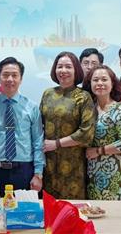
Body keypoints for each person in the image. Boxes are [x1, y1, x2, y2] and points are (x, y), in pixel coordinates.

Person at [0, 57, 45, 198]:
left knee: (24, 210)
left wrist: (38, 174)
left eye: (14, 75)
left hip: (24, 171)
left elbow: (38, 143)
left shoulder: (32, 107)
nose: (10, 79)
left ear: (21, 79)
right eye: (5, 75)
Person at [40, 51, 95, 199]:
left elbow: (86, 133)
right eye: (60, 66)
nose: (63, 70)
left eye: (68, 67)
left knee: (73, 207)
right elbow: (39, 126)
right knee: (49, 206)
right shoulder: (47, 94)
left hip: (74, 164)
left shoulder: (83, 96)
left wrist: (56, 144)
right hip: (49, 164)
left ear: (76, 70)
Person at [83, 66, 121, 200]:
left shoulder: (118, 108)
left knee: (116, 211)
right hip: (92, 170)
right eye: (95, 80)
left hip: (114, 171)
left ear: (112, 83)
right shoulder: (88, 109)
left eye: (104, 79)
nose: (100, 83)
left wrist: (99, 151)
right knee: (94, 210)